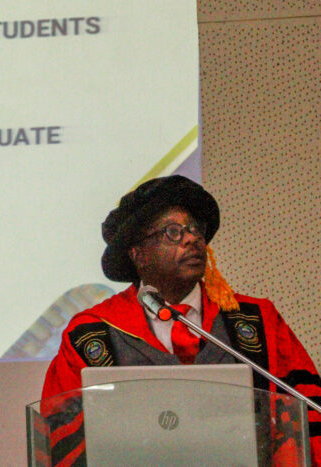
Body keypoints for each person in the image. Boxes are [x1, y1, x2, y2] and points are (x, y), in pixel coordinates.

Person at [41, 175, 321, 465]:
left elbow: (307, 422)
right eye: (173, 232)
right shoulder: (90, 334)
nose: (192, 239)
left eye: (195, 229)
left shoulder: (257, 321)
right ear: (139, 255)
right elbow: (61, 442)